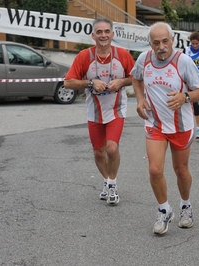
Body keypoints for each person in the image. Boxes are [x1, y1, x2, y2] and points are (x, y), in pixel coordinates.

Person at [130, 22, 199, 235]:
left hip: (181, 126)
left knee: (180, 170)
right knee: (155, 169)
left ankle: (186, 205)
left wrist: (185, 97)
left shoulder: (183, 61)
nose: (161, 46)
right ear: (150, 44)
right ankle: (164, 210)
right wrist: (139, 99)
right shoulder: (144, 59)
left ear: (172, 40)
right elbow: (135, 78)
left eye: (165, 41)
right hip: (155, 123)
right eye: (156, 42)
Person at [64, 18, 135, 205]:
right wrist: (90, 82)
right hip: (94, 110)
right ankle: (107, 180)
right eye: (99, 32)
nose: (103, 35)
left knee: (112, 148)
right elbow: (68, 82)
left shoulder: (123, 54)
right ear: (93, 35)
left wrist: (121, 82)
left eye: (106, 31)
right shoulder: (84, 56)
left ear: (112, 34)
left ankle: (112, 184)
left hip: (116, 108)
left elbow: (136, 77)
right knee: (98, 153)